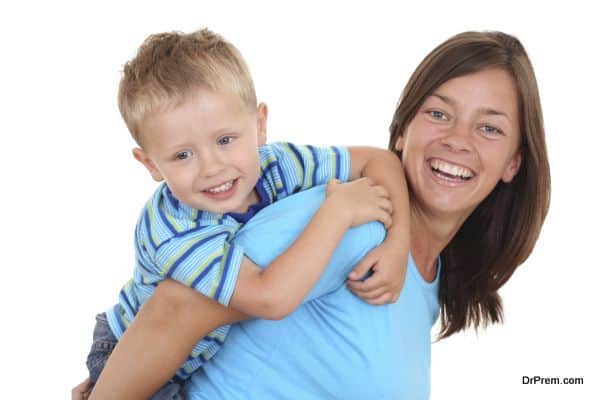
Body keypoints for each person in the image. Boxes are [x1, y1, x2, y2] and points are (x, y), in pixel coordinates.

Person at [77, 30, 550, 399]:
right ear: (403, 129)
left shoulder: (415, 267)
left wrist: (399, 240)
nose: (459, 140)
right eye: (439, 114)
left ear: (514, 161)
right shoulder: (354, 224)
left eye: (489, 127)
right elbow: (174, 309)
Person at [82, 28, 412, 399]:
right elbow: (270, 298)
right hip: (133, 357)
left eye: (225, 140)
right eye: (182, 155)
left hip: (200, 357)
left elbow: (379, 160)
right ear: (150, 164)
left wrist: (398, 245)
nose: (212, 167)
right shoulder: (172, 227)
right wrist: (336, 212)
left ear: (258, 126)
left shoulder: (276, 165)